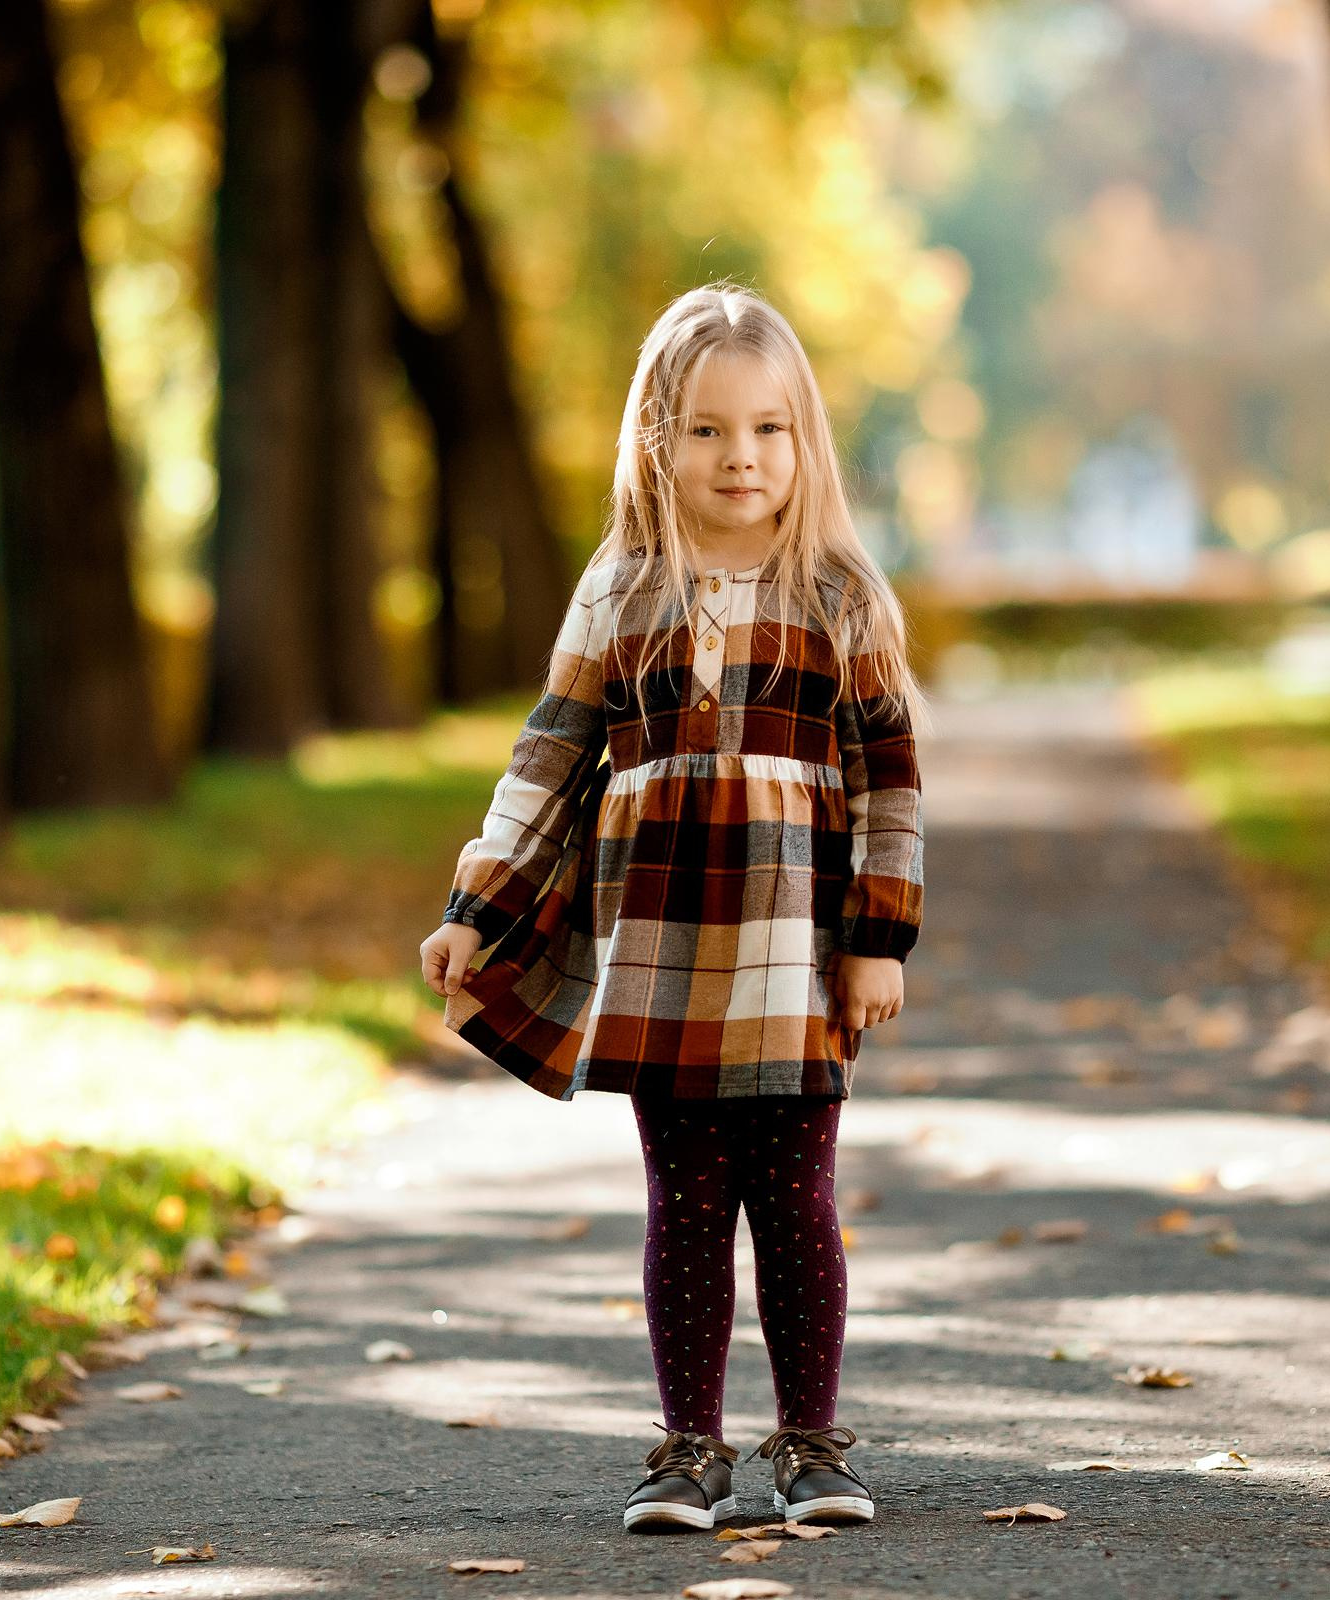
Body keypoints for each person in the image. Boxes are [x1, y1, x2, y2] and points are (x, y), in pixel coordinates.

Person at [417, 280, 928, 1533]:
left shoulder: (840, 594)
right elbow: (547, 758)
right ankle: (690, 1447)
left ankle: (811, 1441)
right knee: (687, 1201)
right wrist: (477, 904)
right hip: (660, 945)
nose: (739, 455)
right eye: (707, 429)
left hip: (797, 950)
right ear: (658, 441)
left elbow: (890, 783)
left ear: (803, 439)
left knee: (794, 1202)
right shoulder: (621, 590)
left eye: (766, 428)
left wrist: (878, 937)